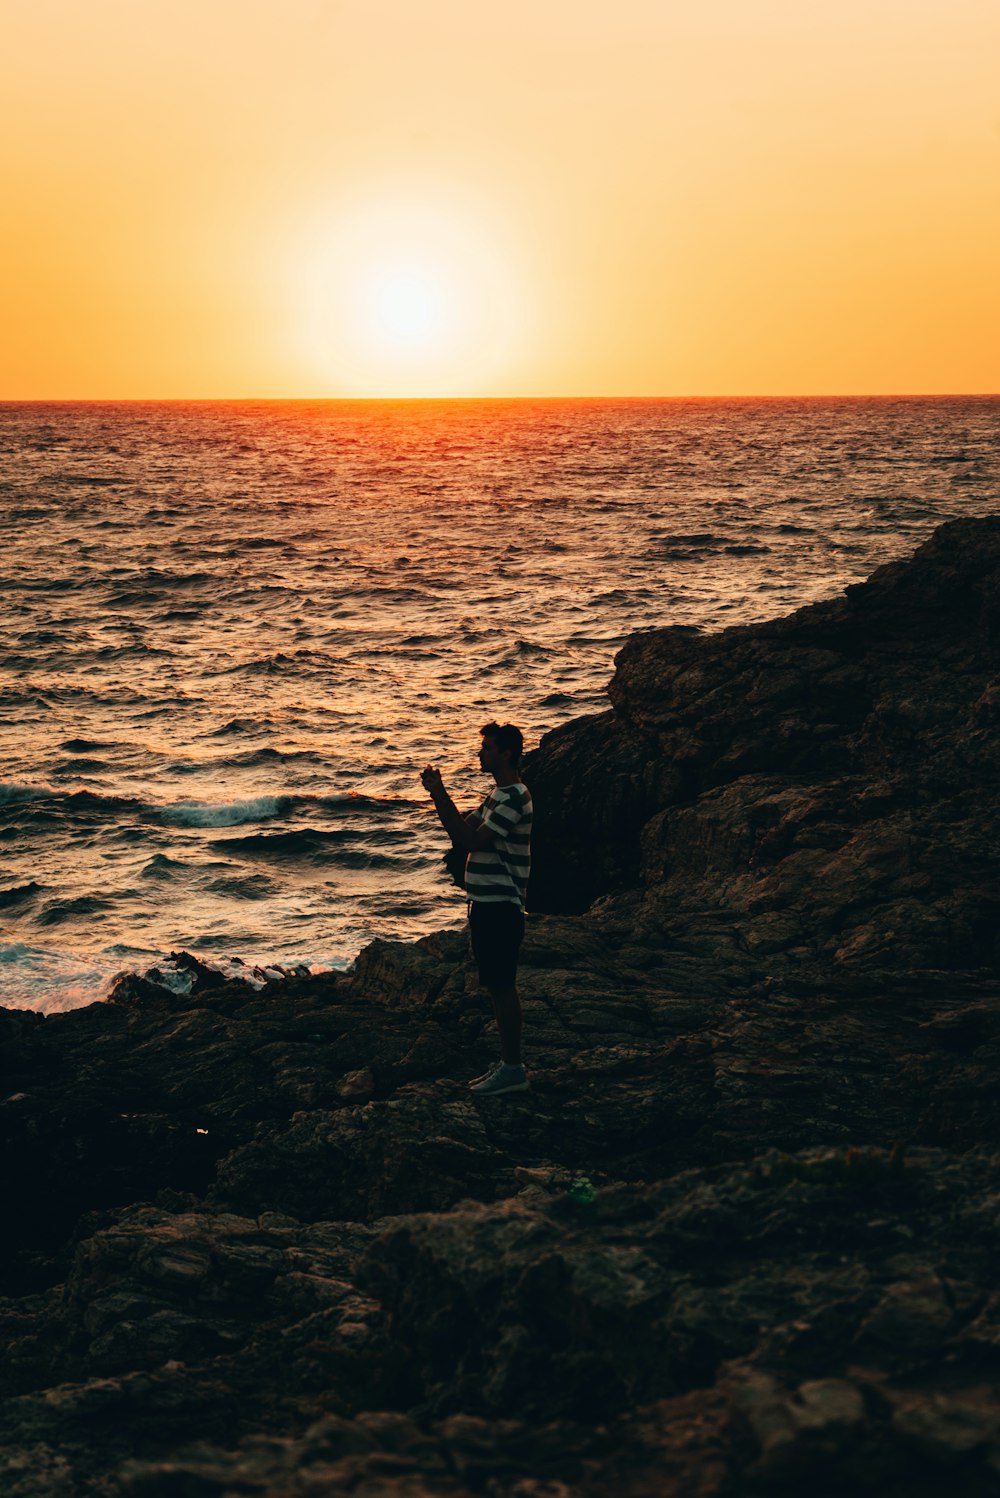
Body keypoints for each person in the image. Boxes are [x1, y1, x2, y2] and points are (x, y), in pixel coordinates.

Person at [421, 722, 532, 1095]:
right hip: (486, 905)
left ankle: (513, 1069)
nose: (480, 754)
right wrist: (440, 796)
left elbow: (468, 840)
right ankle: (508, 1064)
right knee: (497, 986)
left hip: (502, 907)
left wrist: (439, 793)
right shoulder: (496, 796)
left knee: (503, 987)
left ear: (506, 754)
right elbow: (460, 830)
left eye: (487, 748)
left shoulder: (514, 798)